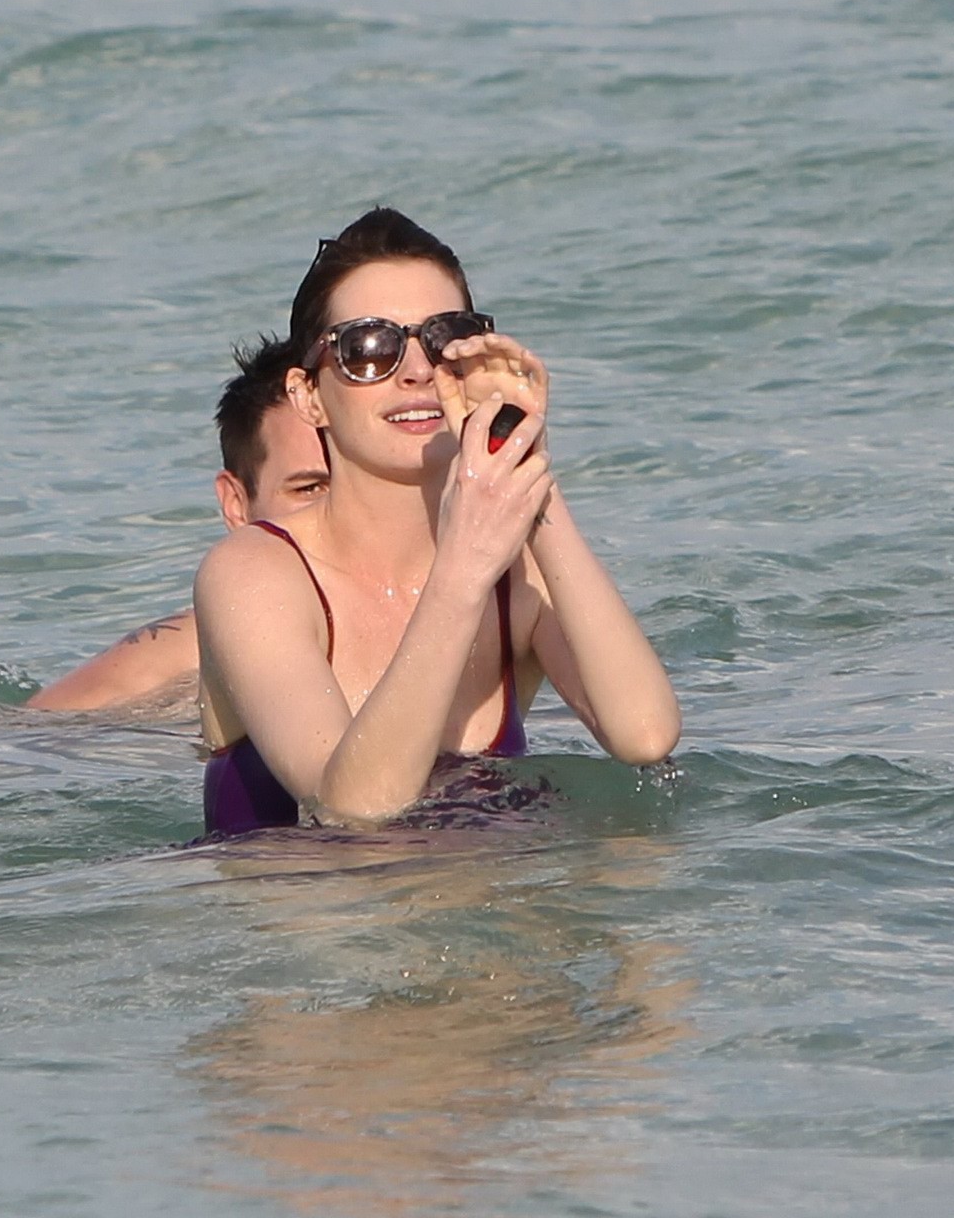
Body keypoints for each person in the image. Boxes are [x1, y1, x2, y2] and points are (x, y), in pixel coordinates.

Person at [195, 207, 680, 834]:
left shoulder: (513, 570)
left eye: (443, 339)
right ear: (307, 395)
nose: (417, 370)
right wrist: (463, 568)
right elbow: (351, 805)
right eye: (369, 348)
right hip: (311, 923)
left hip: (492, 909)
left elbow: (644, 734)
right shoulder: (255, 573)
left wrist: (522, 461)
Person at [27, 350, 331, 711]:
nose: (346, 508)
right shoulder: (178, 665)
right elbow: (3, 739)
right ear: (237, 505)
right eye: (309, 489)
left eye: (370, 480)